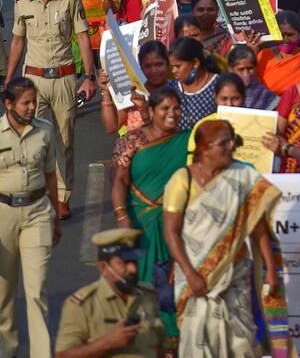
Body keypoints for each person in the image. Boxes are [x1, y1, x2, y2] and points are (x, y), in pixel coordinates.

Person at [163, 119, 291, 358]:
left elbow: (258, 229)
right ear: (205, 148)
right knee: (199, 344)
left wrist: (271, 269)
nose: (231, 147)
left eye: (232, 141)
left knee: (240, 344)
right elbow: (171, 233)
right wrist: (191, 274)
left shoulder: (243, 175)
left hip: (234, 275)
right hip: (194, 277)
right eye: (224, 143)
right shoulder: (182, 180)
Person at [6, 0, 96, 220]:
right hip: (33, 80)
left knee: (65, 141)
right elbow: (18, 41)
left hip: (64, 78)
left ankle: (62, 196)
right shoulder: (21, 2)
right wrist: (9, 80)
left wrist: (89, 77)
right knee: (32, 140)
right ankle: (35, 194)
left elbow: (82, 37)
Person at [110, 85, 189, 351]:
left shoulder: (188, 141)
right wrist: (122, 218)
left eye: (176, 108)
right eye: (165, 108)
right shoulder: (132, 141)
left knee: (171, 285)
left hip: (175, 226)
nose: (171, 113)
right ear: (152, 111)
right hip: (140, 224)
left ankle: (171, 342)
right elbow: (119, 181)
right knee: (142, 285)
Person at [0, 78, 60, 358]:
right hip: (3, 216)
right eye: (26, 103)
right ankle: (7, 349)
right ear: (8, 104)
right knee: (3, 292)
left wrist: (56, 217)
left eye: (34, 101)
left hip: (38, 213)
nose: (32, 107)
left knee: (37, 292)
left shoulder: (45, 130)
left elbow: (50, 175)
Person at [55, 228, 164, 358]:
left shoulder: (148, 295)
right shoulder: (83, 305)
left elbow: (158, 346)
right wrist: (108, 342)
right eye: (124, 263)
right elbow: (63, 355)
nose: (133, 269)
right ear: (103, 268)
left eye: (134, 261)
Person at [256, 11, 300, 95]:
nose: (285, 40)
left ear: (299, 34)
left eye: (290, 35)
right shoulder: (264, 55)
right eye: (281, 35)